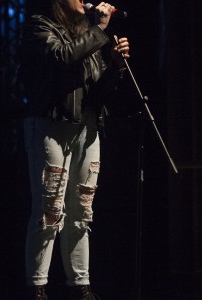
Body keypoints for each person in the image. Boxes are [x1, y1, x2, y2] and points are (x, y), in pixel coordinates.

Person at [20, 0, 130, 299]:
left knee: (83, 211)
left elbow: (99, 90)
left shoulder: (89, 34)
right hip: (52, 125)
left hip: (88, 128)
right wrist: (99, 30)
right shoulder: (40, 26)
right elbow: (61, 57)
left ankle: (81, 286)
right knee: (49, 210)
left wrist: (117, 67)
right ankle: (37, 288)